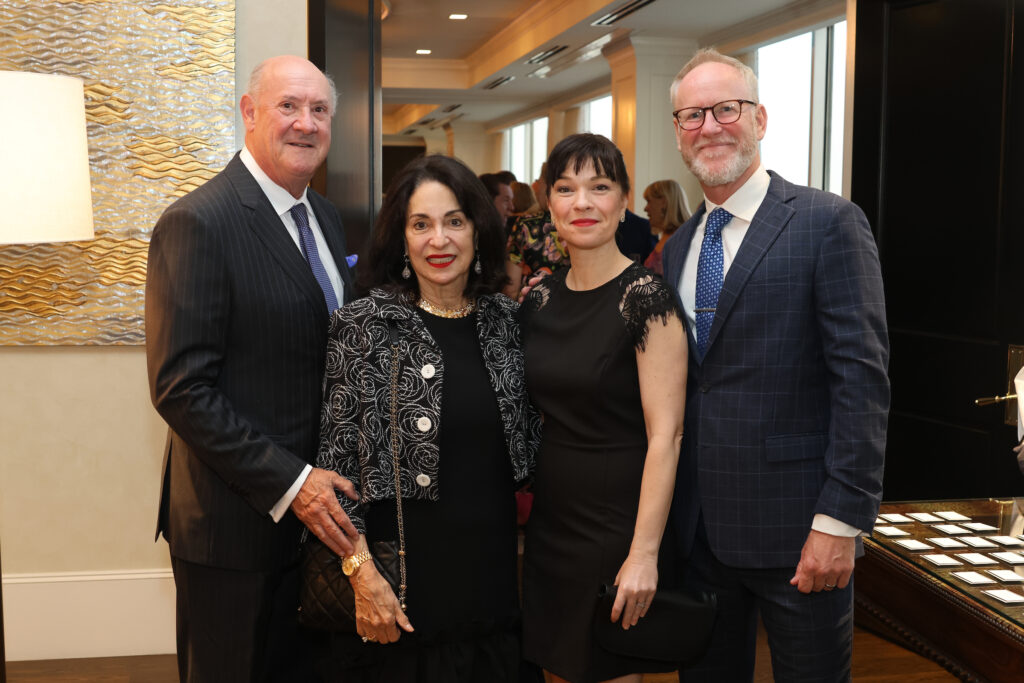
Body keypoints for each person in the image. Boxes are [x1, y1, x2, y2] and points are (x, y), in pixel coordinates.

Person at [662, 48, 889, 680]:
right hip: (698, 534)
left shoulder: (828, 223)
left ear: (759, 118)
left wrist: (840, 520)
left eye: (725, 109)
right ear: (678, 135)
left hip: (798, 531)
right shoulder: (678, 247)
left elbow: (862, 382)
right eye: (691, 116)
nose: (709, 126)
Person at [146, 56, 362, 681]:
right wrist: (295, 484)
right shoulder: (199, 221)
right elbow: (181, 389)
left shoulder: (321, 216)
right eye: (288, 106)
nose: (305, 123)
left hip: (317, 529)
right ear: (248, 112)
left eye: (319, 110)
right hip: (232, 531)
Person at [313, 154, 542, 681]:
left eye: (454, 221)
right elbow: (335, 470)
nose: (439, 240)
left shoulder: (508, 324)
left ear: (479, 231)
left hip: (491, 587)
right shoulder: (364, 326)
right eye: (421, 224)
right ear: (401, 238)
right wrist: (361, 572)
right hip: (401, 593)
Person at [520, 133, 688, 683]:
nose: (582, 203)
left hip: (616, 524)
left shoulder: (647, 298)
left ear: (623, 200)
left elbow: (667, 436)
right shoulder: (540, 299)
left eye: (599, 187)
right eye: (566, 189)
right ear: (550, 204)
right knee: (558, 667)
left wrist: (643, 554)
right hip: (551, 522)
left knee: (607, 669)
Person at [642, 179, 690, 275]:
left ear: (664, 202)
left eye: (649, 201)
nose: (645, 208)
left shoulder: (683, 239)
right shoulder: (667, 236)